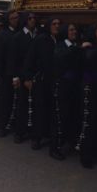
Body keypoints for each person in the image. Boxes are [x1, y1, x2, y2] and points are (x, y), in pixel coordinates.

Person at [24, 17, 61, 150]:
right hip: (42, 80)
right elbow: (30, 58)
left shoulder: (57, 39)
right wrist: (27, 77)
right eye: (54, 24)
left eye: (58, 24)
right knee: (39, 110)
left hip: (52, 80)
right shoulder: (41, 39)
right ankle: (36, 137)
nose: (57, 26)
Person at [78, 24, 97, 168]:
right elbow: (90, 58)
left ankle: (96, 149)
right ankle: (85, 153)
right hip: (90, 87)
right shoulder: (88, 47)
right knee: (88, 119)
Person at [50, 23, 82, 161]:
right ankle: (55, 146)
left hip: (74, 85)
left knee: (72, 115)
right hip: (62, 85)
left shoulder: (76, 45)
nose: (74, 31)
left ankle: (69, 141)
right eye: (71, 30)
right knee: (60, 117)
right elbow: (60, 59)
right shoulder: (61, 46)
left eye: (75, 29)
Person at [9, 12, 38, 144]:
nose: (33, 20)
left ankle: (32, 130)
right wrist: (16, 77)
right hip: (22, 75)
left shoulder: (37, 35)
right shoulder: (18, 37)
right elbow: (14, 59)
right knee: (22, 104)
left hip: (35, 75)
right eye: (30, 18)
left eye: (34, 18)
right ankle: (19, 132)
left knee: (34, 105)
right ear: (26, 20)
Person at [0, 10, 20, 137]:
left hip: (18, 72)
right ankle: (2, 126)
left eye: (17, 17)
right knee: (5, 101)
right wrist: (0, 74)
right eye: (13, 18)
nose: (16, 20)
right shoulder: (3, 35)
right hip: (6, 74)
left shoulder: (19, 33)